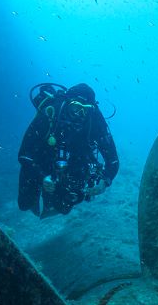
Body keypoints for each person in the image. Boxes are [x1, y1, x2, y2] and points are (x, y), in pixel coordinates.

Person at [17, 82, 119, 218]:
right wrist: (42, 177)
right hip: (41, 159)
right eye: (76, 107)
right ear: (67, 103)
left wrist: (105, 182)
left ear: (91, 108)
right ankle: (34, 200)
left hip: (73, 163)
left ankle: (53, 203)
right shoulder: (51, 112)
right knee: (24, 203)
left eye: (85, 109)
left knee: (65, 205)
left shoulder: (95, 120)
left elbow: (113, 161)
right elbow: (24, 153)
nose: (79, 114)